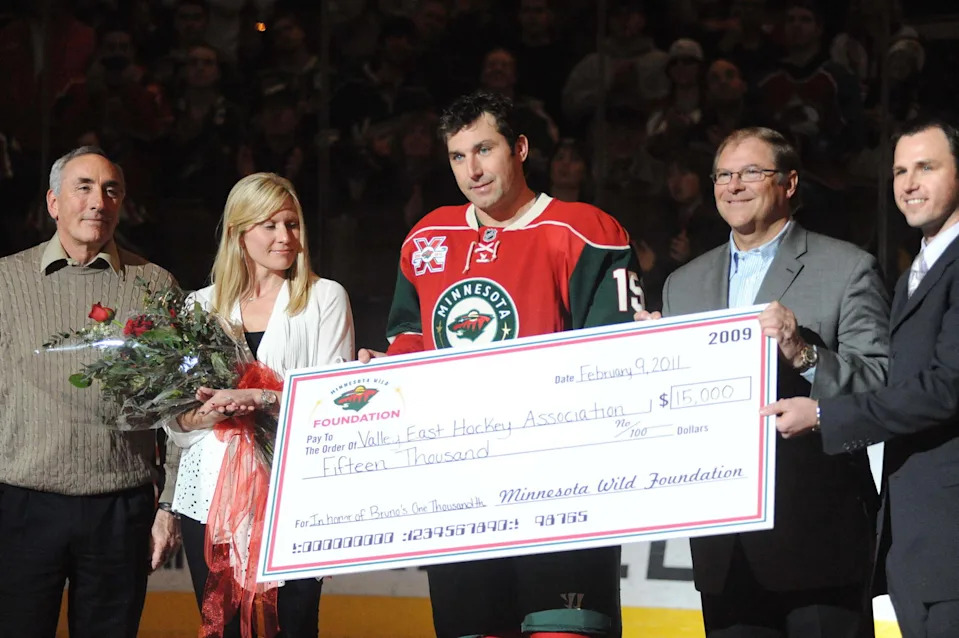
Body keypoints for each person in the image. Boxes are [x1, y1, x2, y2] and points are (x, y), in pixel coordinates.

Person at [375, 90, 644, 638]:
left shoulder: (588, 231)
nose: (471, 170)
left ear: (519, 148)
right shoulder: (426, 238)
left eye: (484, 149)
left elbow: (617, 360)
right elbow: (409, 340)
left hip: (561, 490)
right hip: (458, 492)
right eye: (456, 156)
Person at [638, 127, 890, 637]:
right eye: (723, 175)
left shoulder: (847, 267)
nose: (734, 185)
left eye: (752, 172)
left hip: (819, 538)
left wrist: (803, 353)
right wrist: (649, 360)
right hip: (725, 546)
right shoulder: (683, 283)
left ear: (790, 182)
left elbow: (882, 387)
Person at [765, 117, 959, 638]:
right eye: (899, 170)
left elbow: (945, 390)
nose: (909, 183)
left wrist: (825, 413)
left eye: (926, 167)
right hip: (920, 544)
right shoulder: (917, 271)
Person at [0, 146, 181, 636]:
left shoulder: (155, 285)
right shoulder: (5, 282)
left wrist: (167, 508)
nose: (98, 201)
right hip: (20, 506)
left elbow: (182, 409)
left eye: (110, 190)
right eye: (83, 187)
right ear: (53, 202)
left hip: (121, 509)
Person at [165, 172, 355, 637]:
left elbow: (333, 404)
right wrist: (204, 412)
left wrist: (260, 397)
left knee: (292, 625)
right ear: (239, 231)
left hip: (291, 495)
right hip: (208, 496)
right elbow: (176, 422)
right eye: (269, 225)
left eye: (292, 224)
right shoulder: (199, 307)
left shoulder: (324, 298)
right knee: (224, 626)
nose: (284, 237)